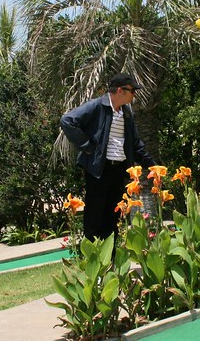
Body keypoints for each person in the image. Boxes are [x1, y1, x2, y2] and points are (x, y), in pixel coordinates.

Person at [60, 73, 155, 241]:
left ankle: (110, 258)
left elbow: (135, 143)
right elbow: (67, 121)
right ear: (120, 90)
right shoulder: (97, 106)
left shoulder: (126, 113)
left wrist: (154, 166)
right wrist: (88, 147)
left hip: (118, 170)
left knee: (113, 216)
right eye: (132, 91)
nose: (134, 95)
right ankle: (93, 259)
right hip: (98, 170)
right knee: (95, 215)